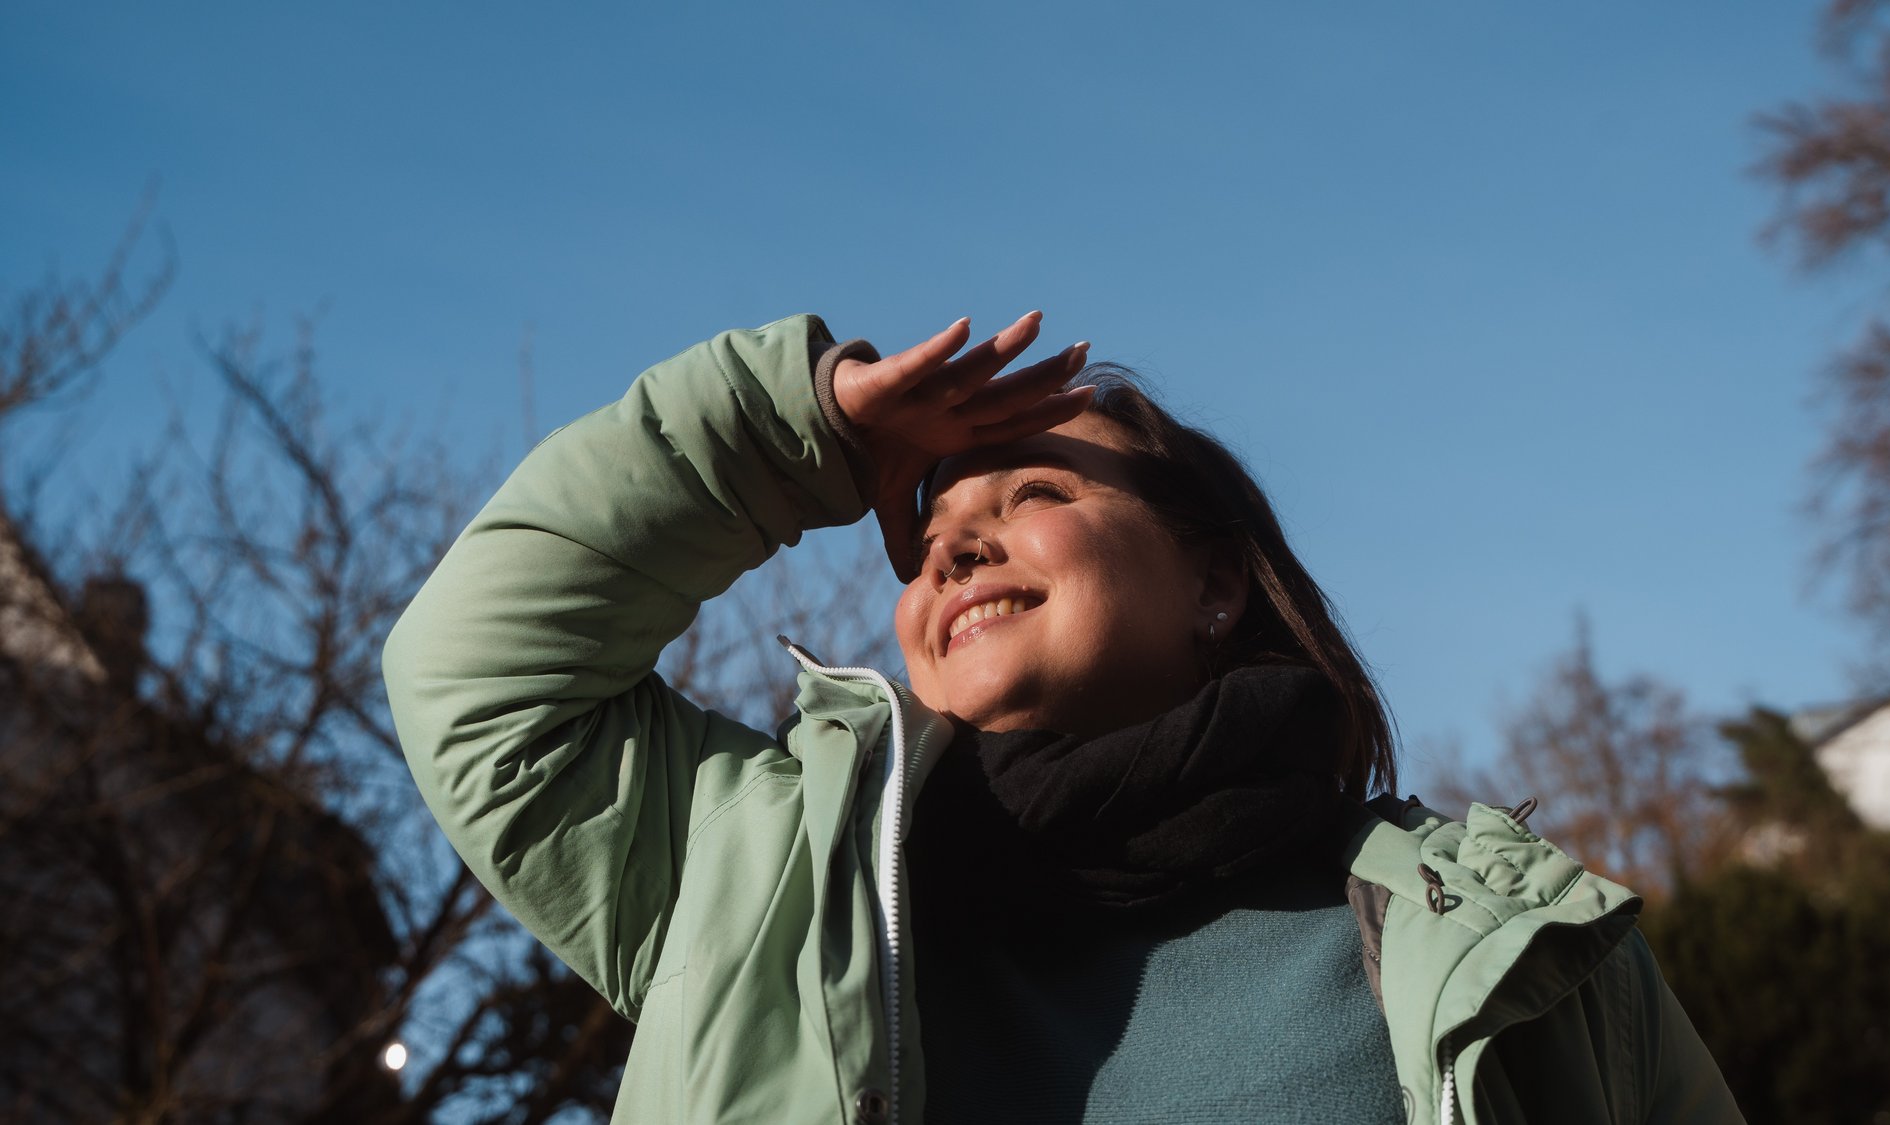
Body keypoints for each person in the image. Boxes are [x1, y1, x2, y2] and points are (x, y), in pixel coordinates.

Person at [384, 312, 1741, 1124]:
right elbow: (478, 671)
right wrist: (804, 434)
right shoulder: (759, 884)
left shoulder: (1507, 947)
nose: (955, 549)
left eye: (1030, 495)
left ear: (1215, 581)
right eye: (929, 537)